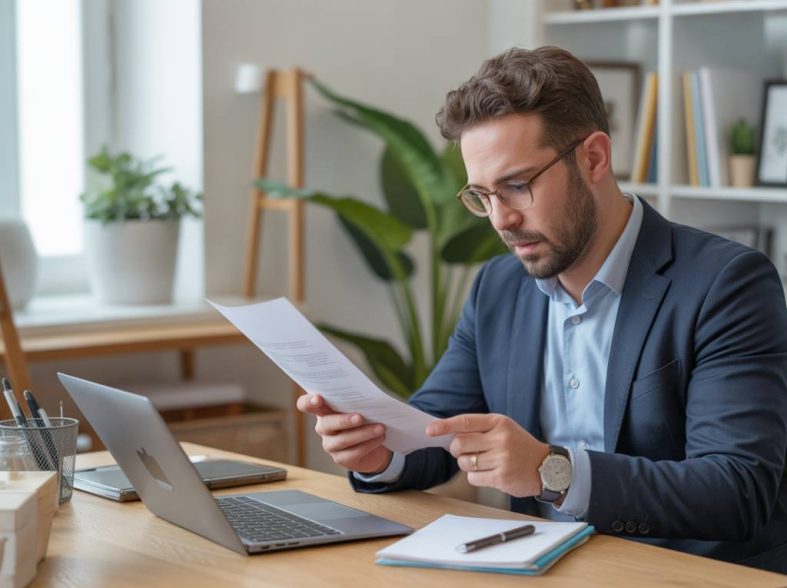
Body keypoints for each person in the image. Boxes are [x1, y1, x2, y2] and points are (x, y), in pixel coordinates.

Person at [297, 46, 787, 573]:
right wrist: (382, 454)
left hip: (685, 576)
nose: (500, 220)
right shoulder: (498, 287)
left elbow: (736, 489)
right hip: (544, 571)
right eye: (482, 196)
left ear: (594, 158)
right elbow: (438, 432)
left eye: (516, 185)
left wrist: (554, 471)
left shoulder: (726, 282)